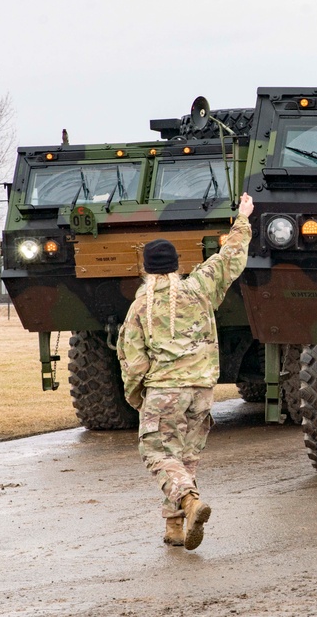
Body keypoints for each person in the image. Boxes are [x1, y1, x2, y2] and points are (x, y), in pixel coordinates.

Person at [117, 193, 254, 549]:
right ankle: (176, 528)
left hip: (165, 391)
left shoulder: (141, 306)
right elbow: (230, 257)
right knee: (183, 460)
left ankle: (191, 503)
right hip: (202, 393)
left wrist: (136, 397)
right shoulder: (200, 287)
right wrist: (242, 218)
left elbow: (134, 362)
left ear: (145, 268)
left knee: (156, 453)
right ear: (178, 264)